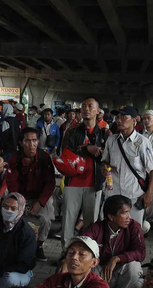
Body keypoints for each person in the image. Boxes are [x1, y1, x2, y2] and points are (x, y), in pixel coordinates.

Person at [59, 97, 110, 251]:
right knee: (68, 221)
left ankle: (87, 253)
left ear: (98, 111)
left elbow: (110, 157)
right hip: (73, 183)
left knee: (91, 223)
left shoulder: (105, 133)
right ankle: (65, 252)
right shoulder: (72, 131)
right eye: (83, 106)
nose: (86, 109)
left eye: (90, 106)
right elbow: (65, 153)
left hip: (94, 184)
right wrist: (86, 149)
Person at [81, 195, 146, 288]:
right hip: (100, 272)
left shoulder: (134, 226)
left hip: (119, 272)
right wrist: (66, 260)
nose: (128, 217)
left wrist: (117, 259)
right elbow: (81, 244)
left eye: (128, 212)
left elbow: (141, 252)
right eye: (124, 213)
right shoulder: (96, 228)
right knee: (83, 263)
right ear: (111, 217)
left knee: (134, 267)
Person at [101, 106, 153, 225]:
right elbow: (105, 161)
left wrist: (149, 193)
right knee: (111, 228)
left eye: (123, 117)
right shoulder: (111, 140)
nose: (119, 120)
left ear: (134, 120)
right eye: (117, 117)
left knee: (133, 231)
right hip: (113, 193)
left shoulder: (142, 142)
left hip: (134, 195)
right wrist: (105, 167)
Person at [6, 127, 56, 261]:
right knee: (9, 214)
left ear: (38, 142)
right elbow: (12, 183)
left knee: (47, 218)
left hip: (40, 197)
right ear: (21, 143)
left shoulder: (44, 157)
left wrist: (40, 202)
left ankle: (39, 245)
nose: (31, 144)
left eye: (34, 140)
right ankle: (13, 244)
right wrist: (20, 202)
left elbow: (50, 183)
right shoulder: (15, 158)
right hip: (21, 196)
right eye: (27, 141)